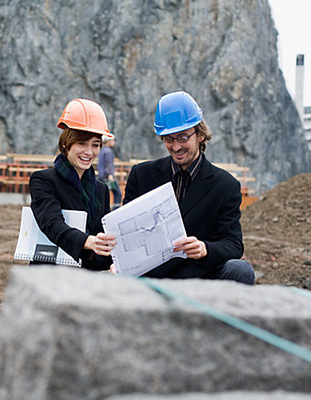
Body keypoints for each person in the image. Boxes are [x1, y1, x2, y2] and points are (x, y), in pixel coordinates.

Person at [123, 91, 255, 284]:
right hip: (152, 275)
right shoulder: (141, 176)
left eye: (183, 138)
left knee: (240, 271)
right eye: (169, 139)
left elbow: (233, 244)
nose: (176, 147)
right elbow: (126, 233)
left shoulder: (225, 186)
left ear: (200, 135)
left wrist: (204, 248)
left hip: (198, 276)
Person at [29, 98, 117, 271]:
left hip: (88, 278)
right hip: (51, 276)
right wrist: (87, 241)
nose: (89, 152)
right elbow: (52, 224)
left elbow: (104, 234)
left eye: (95, 145)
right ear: (65, 144)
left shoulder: (101, 189)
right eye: (81, 143)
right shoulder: (43, 181)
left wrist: (112, 260)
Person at [97, 134, 122, 209]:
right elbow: (108, 164)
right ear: (108, 141)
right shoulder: (108, 151)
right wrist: (110, 175)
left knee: (103, 195)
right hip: (107, 177)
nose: (114, 142)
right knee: (118, 194)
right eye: (112, 140)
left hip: (101, 176)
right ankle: (115, 211)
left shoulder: (102, 150)